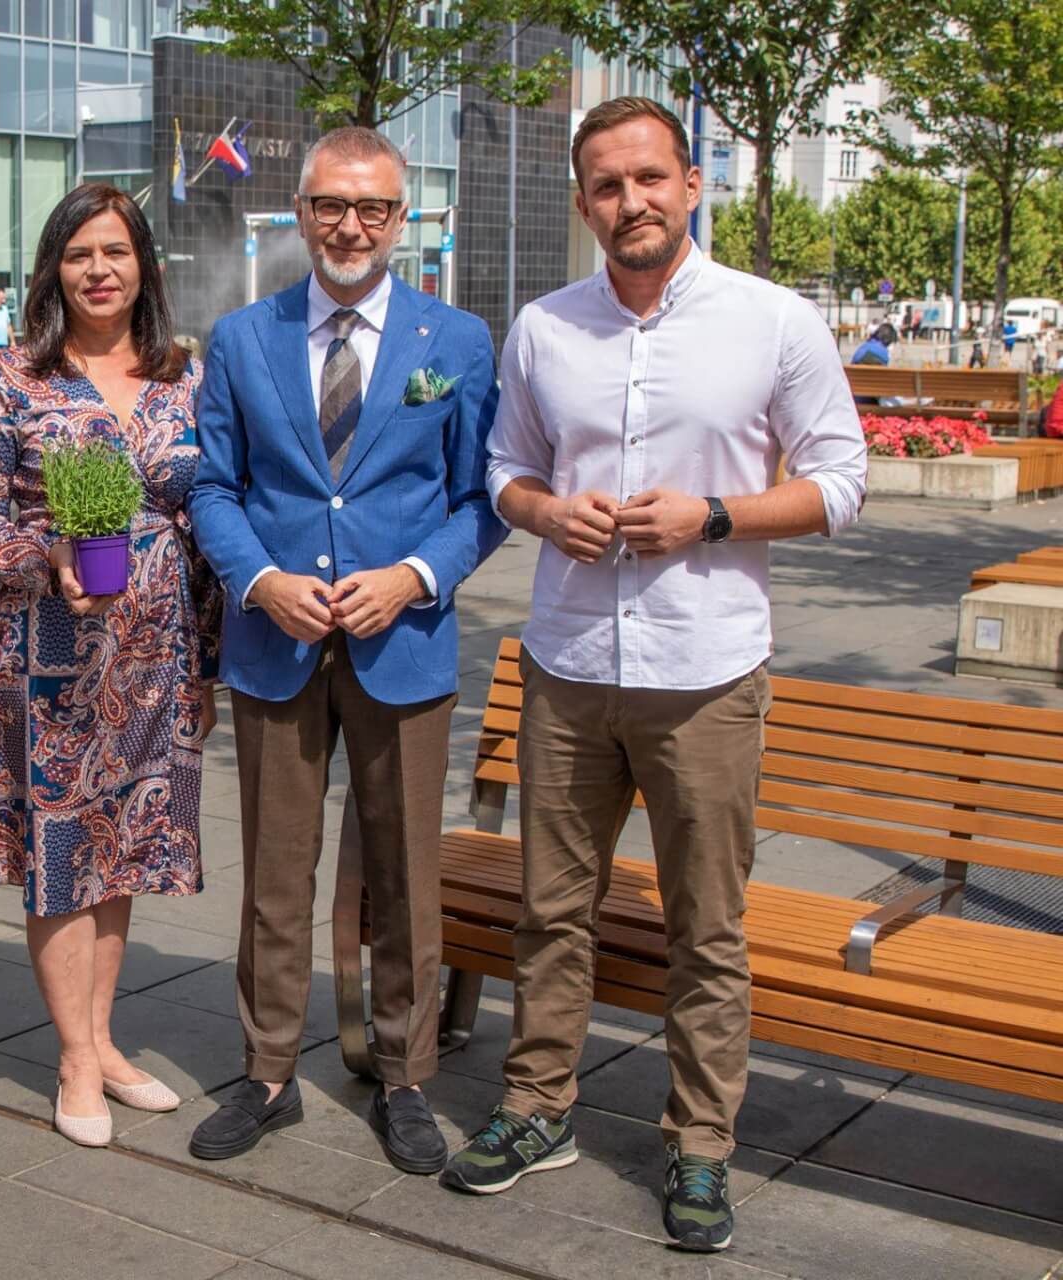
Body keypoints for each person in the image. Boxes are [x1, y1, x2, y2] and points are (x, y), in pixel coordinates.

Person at [442, 97, 867, 1253]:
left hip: (707, 668)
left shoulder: (772, 321)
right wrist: (545, 509)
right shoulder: (543, 327)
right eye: (606, 185)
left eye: (648, 178)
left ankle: (699, 1144)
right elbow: (503, 470)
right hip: (570, 662)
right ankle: (539, 1106)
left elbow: (840, 483)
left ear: (690, 185)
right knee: (549, 907)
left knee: (707, 924)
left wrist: (714, 514)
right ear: (585, 203)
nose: (628, 201)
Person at [186, 127, 505, 1174]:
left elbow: (478, 501)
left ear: (400, 218)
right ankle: (268, 1068)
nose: (351, 225)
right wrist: (261, 581)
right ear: (302, 208)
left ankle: (407, 1075)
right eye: (331, 205)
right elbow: (215, 487)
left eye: (373, 208)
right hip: (275, 645)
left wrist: (412, 576)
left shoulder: (453, 341)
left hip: (400, 643)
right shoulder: (242, 338)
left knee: (407, 876)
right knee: (276, 874)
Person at [0, 183, 219, 1147]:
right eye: (79, 254)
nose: (99, 270)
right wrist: (44, 556)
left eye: (115, 251)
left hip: (159, 653)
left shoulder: (182, 378)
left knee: (123, 849)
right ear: (53, 270)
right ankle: (72, 1058)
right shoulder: (14, 381)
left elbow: (207, 519)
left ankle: (104, 1039)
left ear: (142, 263)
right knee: (64, 849)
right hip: (53, 655)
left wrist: (210, 663)